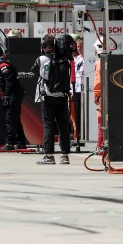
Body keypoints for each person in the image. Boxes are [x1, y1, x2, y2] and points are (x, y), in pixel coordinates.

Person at [32, 34, 74, 164]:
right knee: (63, 126)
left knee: (48, 125)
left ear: (44, 46)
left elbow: (33, 71)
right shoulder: (65, 60)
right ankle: (65, 156)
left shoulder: (41, 59)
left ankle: (49, 155)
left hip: (47, 96)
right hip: (62, 96)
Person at [0, 46, 28, 150]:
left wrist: (7, 95)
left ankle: (10, 143)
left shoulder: (2, 64)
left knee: (10, 119)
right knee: (15, 119)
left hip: (13, 94)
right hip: (14, 93)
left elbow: (10, 79)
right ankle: (21, 142)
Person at [92, 36, 105, 150]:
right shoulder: (114, 61)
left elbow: (98, 81)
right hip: (113, 95)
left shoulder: (99, 63)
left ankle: (101, 145)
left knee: (101, 120)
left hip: (103, 97)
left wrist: (96, 95)